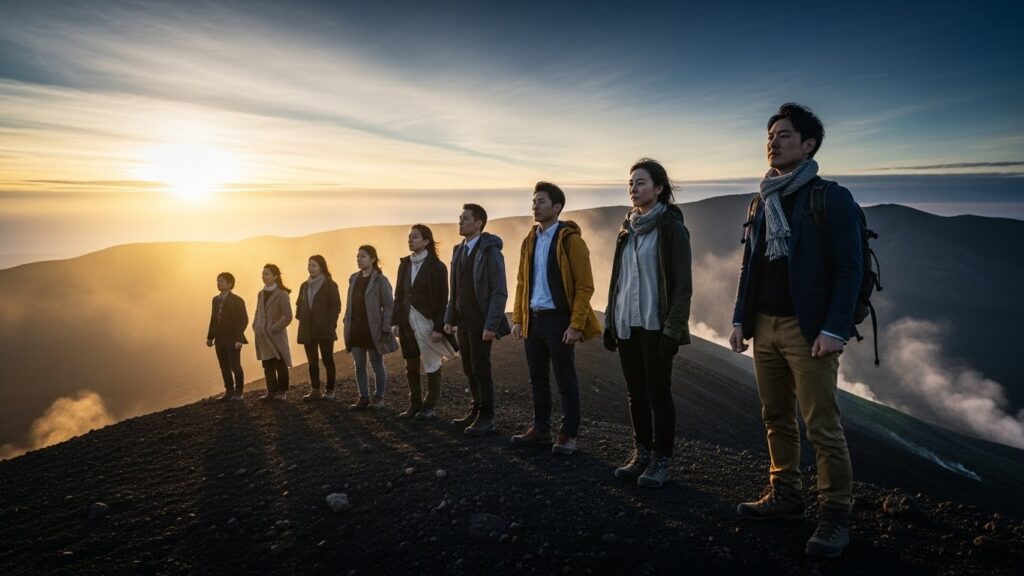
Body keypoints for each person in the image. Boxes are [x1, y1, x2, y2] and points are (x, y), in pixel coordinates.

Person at [729, 103, 861, 558]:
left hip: (810, 331)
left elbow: (849, 269)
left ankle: (836, 514)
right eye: (770, 135)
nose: (773, 142)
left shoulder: (830, 197)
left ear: (809, 145)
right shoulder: (762, 199)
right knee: (776, 417)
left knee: (822, 425)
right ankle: (785, 494)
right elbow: (750, 265)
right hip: (764, 325)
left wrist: (834, 328)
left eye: (784, 135)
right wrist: (740, 319)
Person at [604, 158, 692, 488]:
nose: (633, 189)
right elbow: (618, 280)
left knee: (658, 393)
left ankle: (660, 460)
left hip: (656, 324)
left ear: (658, 189)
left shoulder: (671, 229)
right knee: (635, 394)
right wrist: (610, 321)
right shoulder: (626, 230)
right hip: (627, 322)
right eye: (630, 183)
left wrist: (673, 330)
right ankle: (640, 453)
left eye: (640, 183)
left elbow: (682, 285)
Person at [510, 182, 602, 455]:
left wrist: (576, 324)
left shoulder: (571, 240)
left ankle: (567, 435)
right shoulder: (529, 240)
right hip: (533, 319)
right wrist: (518, 318)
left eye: (541, 201)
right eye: (534, 201)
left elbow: (585, 286)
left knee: (565, 379)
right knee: (537, 378)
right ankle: (541, 430)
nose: (535, 206)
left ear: (557, 207)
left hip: (558, 320)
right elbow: (521, 282)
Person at [444, 203, 511, 435]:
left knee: (481, 368)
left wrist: (491, 325)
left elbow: (499, 291)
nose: (460, 222)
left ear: (478, 223)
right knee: (468, 367)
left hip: (481, 321)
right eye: (460, 217)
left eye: (465, 218)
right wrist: (449, 318)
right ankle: (476, 408)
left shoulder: (490, 252)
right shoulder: (458, 250)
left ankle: (487, 416)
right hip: (463, 321)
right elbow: (454, 289)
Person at [393, 225, 457, 420]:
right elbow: (399, 295)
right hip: (407, 323)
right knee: (411, 364)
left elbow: (442, 299)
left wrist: (439, 327)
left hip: (427, 322)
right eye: (409, 237)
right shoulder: (405, 264)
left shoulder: (437, 267)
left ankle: (429, 406)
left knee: (431, 364)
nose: (410, 240)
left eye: (415, 237)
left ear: (426, 241)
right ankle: (415, 405)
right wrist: (396, 322)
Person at [343, 245, 399, 410]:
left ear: (373, 259)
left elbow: (389, 305)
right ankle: (363, 397)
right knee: (359, 365)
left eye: (363, 256)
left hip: (373, 329)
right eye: (358, 256)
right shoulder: (353, 279)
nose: (359, 259)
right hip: (355, 329)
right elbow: (349, 304)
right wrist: (346, 321)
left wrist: (386, 327)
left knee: (376, 364)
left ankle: (379, 397)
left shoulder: (380, 280)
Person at [296, 255, 342, 401]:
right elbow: (299, 304)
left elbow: (336, 306)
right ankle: (315, 390)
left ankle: (330, 390)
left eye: (314, 265)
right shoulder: (304, 286)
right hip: (307, 330)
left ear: (321, 267)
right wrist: (300, 317)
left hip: (324, 329)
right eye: (309, 265)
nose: (310, 268)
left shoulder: (330, 285)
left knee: (327, 360)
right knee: (312, 362)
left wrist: (330, 323)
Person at [253, 264, 293, 401]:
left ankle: (282, 392)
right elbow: (258, 312)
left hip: (276, 336)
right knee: (267, 364)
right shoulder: (261, 293)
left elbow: (287, 316)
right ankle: (271, 392)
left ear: (275, 276)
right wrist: (256, 326)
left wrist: (273, 328)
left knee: (280, 364)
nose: (263, 276)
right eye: (263, 273)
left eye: (267, 274)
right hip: (262, 336)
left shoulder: (282, 294)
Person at [206, 272, 248, 402]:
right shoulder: (215, 300)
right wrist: (210, 337)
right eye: (217, 281)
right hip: (219, 339)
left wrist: (239, 339)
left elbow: (244, 320)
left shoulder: (237, 300)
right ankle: (229, 391)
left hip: (232, 338)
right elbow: (213, 319)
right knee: (224, 366)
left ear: (230, 284)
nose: (218, 283)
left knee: (235, 366)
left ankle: (239, 392)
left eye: (221, 281)